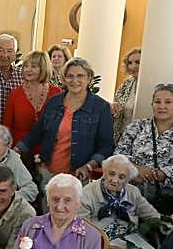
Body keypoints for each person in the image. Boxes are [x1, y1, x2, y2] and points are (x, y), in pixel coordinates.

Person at [16, 57, 113, 185]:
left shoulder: (101, 107)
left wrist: (89, 166)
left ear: (89, 78)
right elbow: (36, 132)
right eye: (69, 76)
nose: (74, 80)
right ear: (64, 79)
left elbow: (106, 146)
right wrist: (15, 151)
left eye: (80, 76)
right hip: (47, 173)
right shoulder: (54, 102)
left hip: (78, 177)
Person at [115, 82, 173, 213]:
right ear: (152, 105)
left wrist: (161, 174)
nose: (162, 106)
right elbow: (118, 155)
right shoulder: (137, 126)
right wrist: (135, 170)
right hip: (128, 197)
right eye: (157, 102)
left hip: (163, 203)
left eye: (168, 102)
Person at [1, 49, 60, 148]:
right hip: (19, 150)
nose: (28, 70)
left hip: (47, 151)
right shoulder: (15, 94)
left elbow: (60, 126)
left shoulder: (56, 92)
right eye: (26, 66)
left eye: (33, 66)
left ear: (43, 68)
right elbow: (6, 127)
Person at [111, 47, 142, 142]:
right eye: (130, 63)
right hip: (122, 137)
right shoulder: (125, 84)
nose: (133, 66)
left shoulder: (152, 85)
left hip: (143, 138)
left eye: (137, 62)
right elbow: (117, 107)